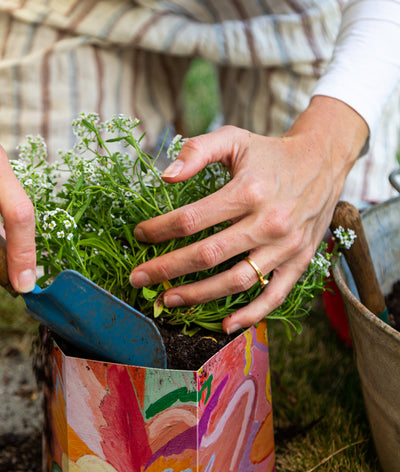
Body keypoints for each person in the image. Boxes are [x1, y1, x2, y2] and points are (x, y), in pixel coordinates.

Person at [1, 1, 400, 334]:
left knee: (315, 247)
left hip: (293, 10)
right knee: (41, 232)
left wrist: (323, 150)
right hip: (80, 7)